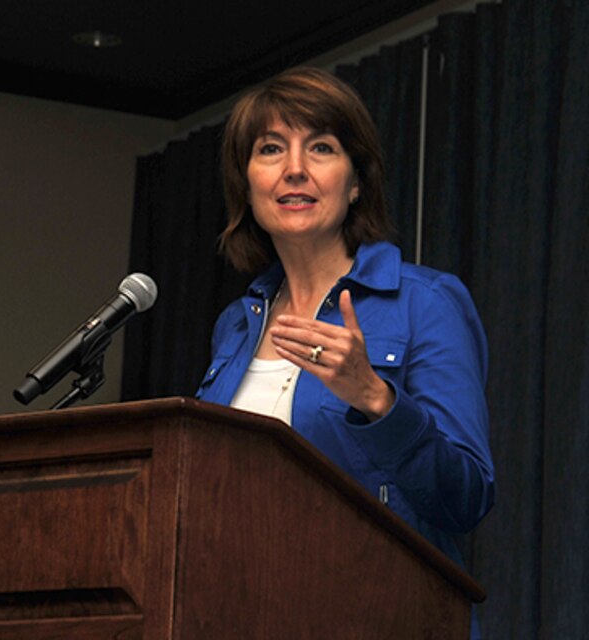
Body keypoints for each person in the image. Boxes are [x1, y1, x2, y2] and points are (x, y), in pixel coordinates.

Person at [195, 67, 494, 637]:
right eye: (271, 149)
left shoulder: (425, 303)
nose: (295, 169)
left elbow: (466, 499)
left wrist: (377, 401)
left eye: (322, 148)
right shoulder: (235, 325)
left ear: (356, 182)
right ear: (248, 183)